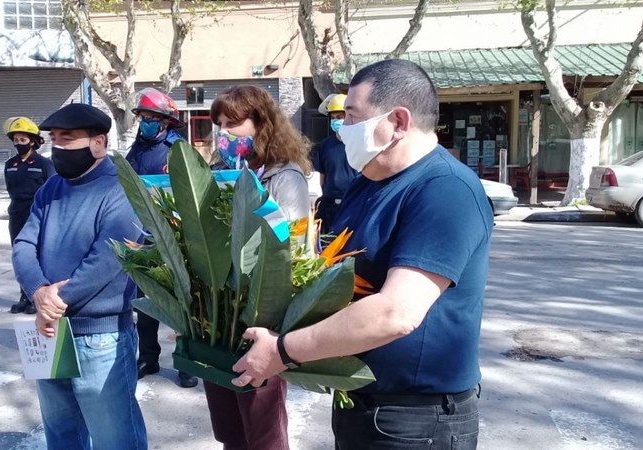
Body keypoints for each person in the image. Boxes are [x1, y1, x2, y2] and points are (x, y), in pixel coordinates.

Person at [231, 59, 493, 449]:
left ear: (399, 122)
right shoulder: (368, 181)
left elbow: (396, 314)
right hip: (361, 404)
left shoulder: (445, 191)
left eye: (352, 117)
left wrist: (282, 351)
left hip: (416, 421)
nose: (342, 130)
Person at [12, 103, 147, 450]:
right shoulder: (51, 189)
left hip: (99, 339)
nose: (57, 147)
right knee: (61, 436)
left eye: (67, 139)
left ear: (99, 143)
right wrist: (39, 290)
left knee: (115, 439)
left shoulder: (122, 189)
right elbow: (24, 244)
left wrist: (58, 298)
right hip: (48, 332)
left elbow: (110, 255)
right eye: (54, 139)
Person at [205, 85, 311, 450]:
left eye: (233, 123)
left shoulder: (284, 176)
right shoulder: (217, 171)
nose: (224, 133)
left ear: (260, 123)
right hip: (219, 316)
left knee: (262, 429)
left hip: (259, 315)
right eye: (219, 124)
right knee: (229, 429)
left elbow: (291, 247)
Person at [126, 87, 199, 389]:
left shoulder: (179, 150)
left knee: (182, 303)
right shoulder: (136, 150)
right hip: (141, 235)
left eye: (151, 117)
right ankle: (149, 357)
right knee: (144, 301)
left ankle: (185, 362)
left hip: (175, 235)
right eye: (142, 116)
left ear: (166, 121)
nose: (145, 122)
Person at [2, 116, 55, 314]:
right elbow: (10, 189)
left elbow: (52, 190)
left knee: (38, 256)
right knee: (20, 256)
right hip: (16, 215)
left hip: (37, 215)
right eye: (16, 141)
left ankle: (38, 297)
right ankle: (24, 295)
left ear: (33, 141)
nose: (19, 144)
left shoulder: (43, 164)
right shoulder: (10, 165)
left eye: (23, 140)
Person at [312, 93, 357, 234]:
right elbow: (320, 176)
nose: (335, 121)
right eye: (333, 117)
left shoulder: (359, 143)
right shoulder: (325, 145)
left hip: (353, 203)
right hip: (329, 205)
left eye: (340, 117)